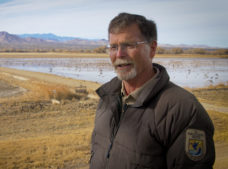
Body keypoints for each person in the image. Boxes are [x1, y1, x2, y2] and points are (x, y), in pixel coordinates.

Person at [89, 12, 215, 169]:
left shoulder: (184, 110)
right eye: (113, 47)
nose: (119, 54)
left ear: (152, 49)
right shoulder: (108, 97)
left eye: (129, 45)